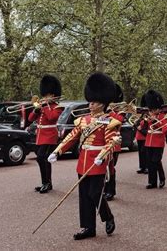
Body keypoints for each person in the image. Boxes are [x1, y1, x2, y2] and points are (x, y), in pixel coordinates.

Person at [48, 72, 118, 240]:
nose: (90, 104)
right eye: (90, 101)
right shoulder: (83, 121)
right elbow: (71, 136)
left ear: (102, 104)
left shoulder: (110, 122)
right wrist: (58, 151)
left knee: (95, 193)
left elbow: (111, 142)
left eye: (93, 102)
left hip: (97, 163)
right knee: (84, 196)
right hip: (83, 162)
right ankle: (87, 227)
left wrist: (102, 155)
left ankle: (107, 216)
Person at [28, 75, 63, 194]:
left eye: (47, 95)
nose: (44, 97)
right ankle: (45, 183)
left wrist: (45, 106)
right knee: (41, 159)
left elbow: (52, 118)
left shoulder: (57, 107)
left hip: (50, 136)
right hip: (40, 135)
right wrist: (36, 110)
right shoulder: (42, 106)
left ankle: (47, 183)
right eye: (44, 95)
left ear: (53, 95)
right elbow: (30, 118)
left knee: (42, 157)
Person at [141, 90, 166, 189]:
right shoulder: (149, 114)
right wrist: (145, 120)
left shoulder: (162, 116)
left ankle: (162, 178)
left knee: (156, 161)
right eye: (151, 109)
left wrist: (155, 120)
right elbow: (143, 125)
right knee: (150, 162)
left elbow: (164, 127)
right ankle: (152, 182)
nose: (152, 111)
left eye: (154, 109)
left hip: (158, 141)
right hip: (149, 141)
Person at [104, 84, 125, 201]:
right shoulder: (104, 108)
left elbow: (119, 120)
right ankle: (104, 189)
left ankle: (111, 191)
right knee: (103, 166)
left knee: (110, 167)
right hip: (103, 141)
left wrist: (109, 112)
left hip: (114, 142)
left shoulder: (120, 110)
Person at [135, 97, 149, 174]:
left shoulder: (148, 117)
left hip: (145, 137)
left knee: (145, 153)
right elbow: (137, 125)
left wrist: (140, 129)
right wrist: (136, 125)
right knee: (140, 153)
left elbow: (146, 129)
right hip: (139, 137)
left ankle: (147, 167)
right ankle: (142, 167)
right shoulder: (141, 117)